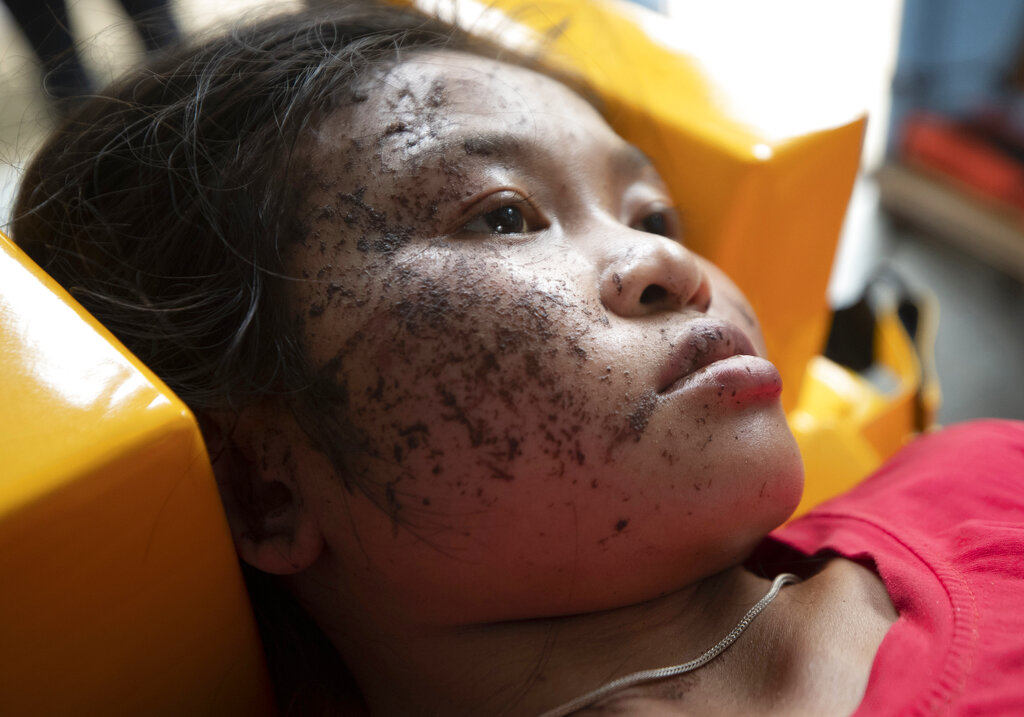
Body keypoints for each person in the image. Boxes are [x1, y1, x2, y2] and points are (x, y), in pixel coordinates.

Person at [11, 3, 1024, 715]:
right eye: (502, 217)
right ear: (260, 489)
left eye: (652, 211)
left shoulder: (989, 487)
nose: (667, 261)